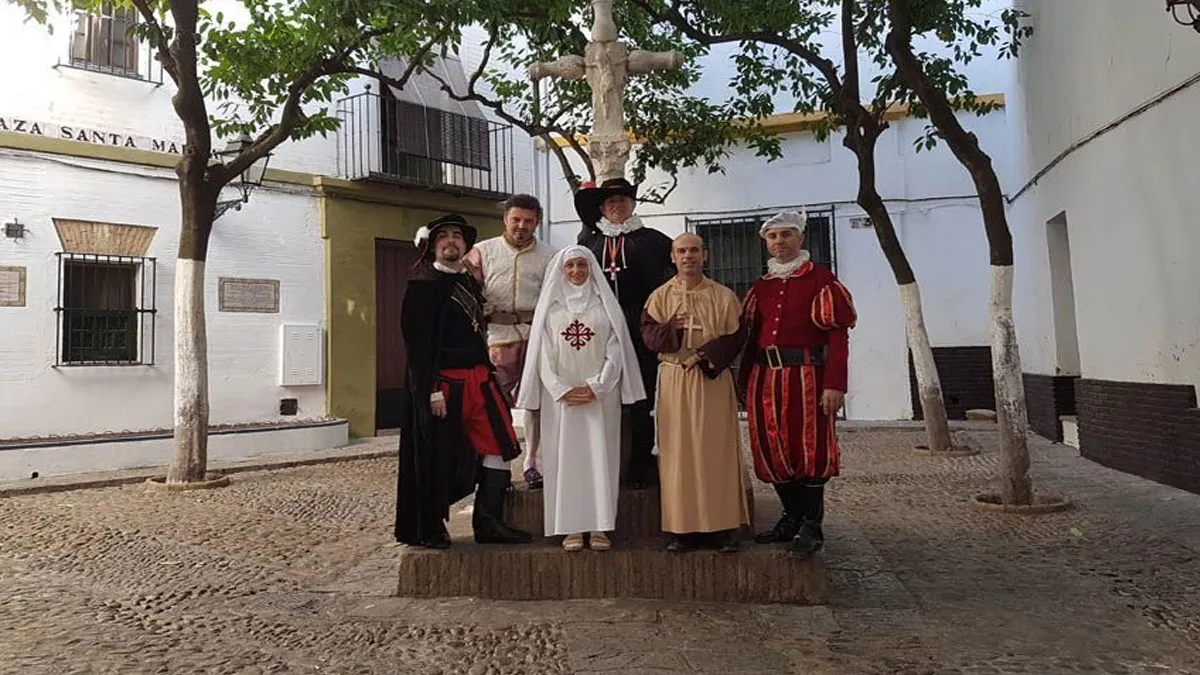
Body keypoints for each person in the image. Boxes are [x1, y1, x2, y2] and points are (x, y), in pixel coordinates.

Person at [394, 213, 533, 549]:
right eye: (443, 237)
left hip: (479, 380)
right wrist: (430, 392)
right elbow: (417, 347)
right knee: (437, 456)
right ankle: (430, 527)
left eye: (457, 236)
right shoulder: (423, 286)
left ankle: (489, 523)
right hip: (444, 385)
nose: (451, 241)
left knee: (499, 444)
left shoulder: (468, 282)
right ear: (432, 246)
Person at [737, 210, 857, 558]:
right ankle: (791, 517)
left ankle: (811, 526)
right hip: (764, 378)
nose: (780, 242)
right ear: (766, 242)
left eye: (787, 234)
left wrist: (835, 385)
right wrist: (742, 383)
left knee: (809, 448)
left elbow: (837, 337)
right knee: (772, 448)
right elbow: (749, 339)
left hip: (807, 377)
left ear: (801, 238)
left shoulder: (821, 280)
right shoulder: (761, 287)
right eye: (773, 236)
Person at [515, 246, 646, 551]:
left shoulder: (604, 306)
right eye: (570, 265)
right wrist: (560, 389)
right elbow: (542, 355)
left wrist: (597, 386)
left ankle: (600, 526)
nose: (576, 271)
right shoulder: (551, 309)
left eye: (582, 265)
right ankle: (571, 527)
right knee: (564, 461)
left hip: (600, 399)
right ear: (561, 271)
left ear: (591, 269)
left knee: (601, 459)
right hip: (561, 402)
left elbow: (616, 348)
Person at [641, 233, 749, 553]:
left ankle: (723, 526)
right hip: (674, 379)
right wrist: (671, 329)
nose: (688, 256)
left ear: (705, 255)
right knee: (678, 454)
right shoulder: (660, 296)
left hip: (711, 380)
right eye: (681, 251)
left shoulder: (724, 296)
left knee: (717, 451)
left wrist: (706, 355)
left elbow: (737, 336)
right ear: (672, 257)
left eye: (693, 251)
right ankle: (683, 528)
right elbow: (648, 336)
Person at [575, 177, 675, 489]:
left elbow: (670, 286)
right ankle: (599, 464)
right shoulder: (588, 246)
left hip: (640, 330)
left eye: (622, 200)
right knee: (601, 392)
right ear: (602, 208)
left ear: (632, 204)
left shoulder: (656, 242)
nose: (616, 206)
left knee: (643, 395)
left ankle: (642, 464)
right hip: (599, 330)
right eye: (610, 201)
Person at [464, 194, 558, 489]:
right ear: (505, 219)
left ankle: (533, 462)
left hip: (535, 336)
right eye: (516, 219)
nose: (521, 226)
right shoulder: (482, 252)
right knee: (492, 404)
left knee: (536, 402)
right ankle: (495, 467)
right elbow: (466, 291)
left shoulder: (551, 256)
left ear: (537, 222)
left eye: (528, 221)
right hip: (496, 337)